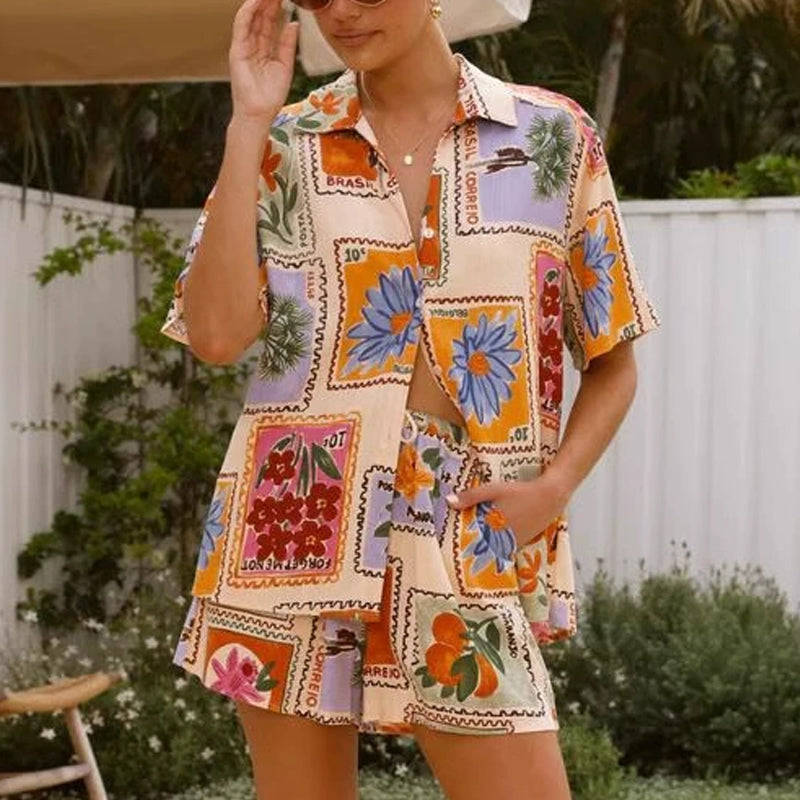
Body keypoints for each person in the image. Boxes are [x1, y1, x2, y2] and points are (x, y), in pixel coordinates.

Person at [163, 0, 660, 797]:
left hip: (460, 518)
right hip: (294, 513)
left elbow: (613, 360)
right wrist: (248, 124)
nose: (343, 12)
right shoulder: (283, 141)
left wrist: (553, 489)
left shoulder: (550, 137)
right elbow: (216, 335)